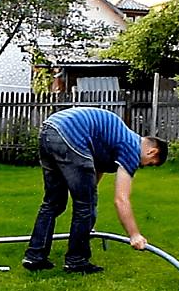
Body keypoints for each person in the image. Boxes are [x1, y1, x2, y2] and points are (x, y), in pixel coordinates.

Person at [22, 107, 168, 274]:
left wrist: (86, 207)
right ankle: (76, 261)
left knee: (54, 202)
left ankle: (35, 256)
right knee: (86, 205)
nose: (142, 166)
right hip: (71, 133)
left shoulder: (115, 138)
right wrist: (134, 235)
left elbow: (94, 172)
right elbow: (121, 199)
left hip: (50, 129)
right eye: (150, 163)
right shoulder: (131, 148)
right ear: (152, 151)